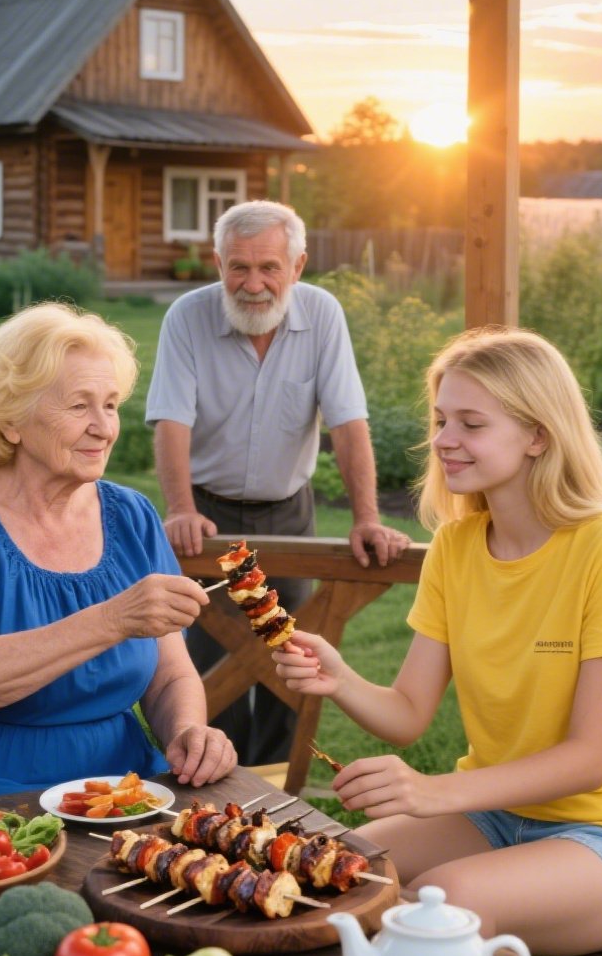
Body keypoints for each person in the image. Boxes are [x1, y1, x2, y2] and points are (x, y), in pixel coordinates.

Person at [274, 326, 602, 956]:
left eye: (471, 423)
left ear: (538, 435)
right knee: (329, 867)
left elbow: (589, 759)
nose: (443, 441)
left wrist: (432, 791)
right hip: (496, 817)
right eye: (442, 420)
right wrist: (340, 678)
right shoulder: (456, 546)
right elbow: (409, 714)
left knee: (437, 904)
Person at [0, 302, 236, 810]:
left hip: (110, 789)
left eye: (111, 404)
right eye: (79, 407)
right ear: (11, 421)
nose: (104, 428)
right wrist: (114, 619)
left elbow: (170, 675)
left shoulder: (133, 515)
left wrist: (188, 730)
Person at [145, 200, 409, 765]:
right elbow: (171, 421)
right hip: (209, 516)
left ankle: (277, 791)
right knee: (212, 660)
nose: (254, 283)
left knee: (293, 658)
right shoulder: (186, 318)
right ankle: (216, 783)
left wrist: (366, 518)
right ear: (218, 264)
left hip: (290, 512)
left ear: (298, 265)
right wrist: (180, 508)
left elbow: (347, 421)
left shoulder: (323, 315)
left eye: (269, 267)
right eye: (238, 267)